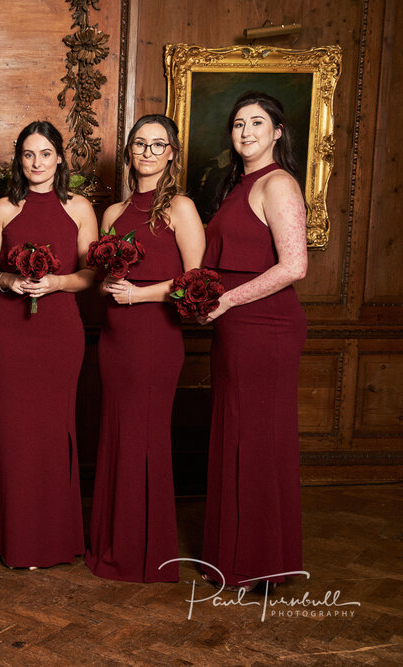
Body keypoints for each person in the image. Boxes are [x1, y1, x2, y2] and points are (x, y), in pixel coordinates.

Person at [0, 121, 98, 567]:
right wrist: (10, 280)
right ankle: (5, 534)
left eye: (45, 154)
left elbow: (91, 274)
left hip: (59, 333)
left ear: (60, 157)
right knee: (10, 428)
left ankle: (52, 537)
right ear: (19, 160)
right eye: (28, 154)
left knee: (52, 429)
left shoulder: (80, 208)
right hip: (9, 332)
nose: (37, 163)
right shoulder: (4, 207)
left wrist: (54, 282)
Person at [85, 115, 205, 582]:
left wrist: (140, 293)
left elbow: (195, 281)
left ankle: (146, 550)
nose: (149, 152)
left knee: (146, 437)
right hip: (116, 341)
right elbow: (101, 285)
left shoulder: (181, 207)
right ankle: (113, 543)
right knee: (116, 436)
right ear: (130, 151)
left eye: (159, 145)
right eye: (140, 144)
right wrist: (113, 285)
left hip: (156, 338)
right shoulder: (113, 213)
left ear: (172, 152)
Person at [198, 92, 308, 590]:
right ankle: (237, 555)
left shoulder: (278, 183)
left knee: (259, 440)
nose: (245, 132)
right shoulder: (234, 184)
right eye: (238, 123)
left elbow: (294, 266)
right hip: (237, 323)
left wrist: (227, 300)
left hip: (265, 325)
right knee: (237, 434)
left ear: (277, 132)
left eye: (257, 123)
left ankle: (261, 562)